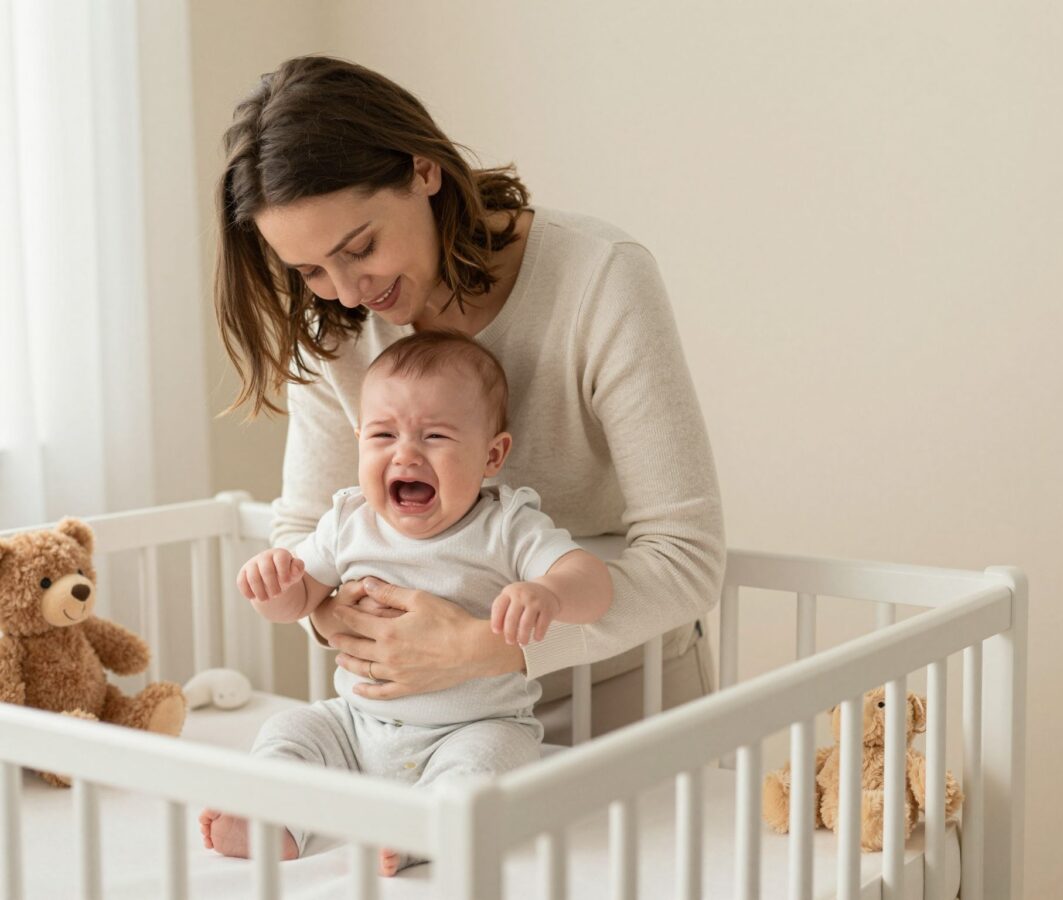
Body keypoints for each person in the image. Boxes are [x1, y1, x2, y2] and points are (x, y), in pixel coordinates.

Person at [214, 54, 724, 750]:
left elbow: (686, 558)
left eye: (359, 247)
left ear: (424, 169)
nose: (348, 292)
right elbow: (303, 532)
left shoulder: (597, 280)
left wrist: (484, 648)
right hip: (411, 718)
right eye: (309, 271)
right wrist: (332, 615)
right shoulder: (332, 324)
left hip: (623, 698)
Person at [200, 331, 613, 874]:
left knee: (491, 764)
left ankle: (422, 831)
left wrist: (550, 593)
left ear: (493, 454)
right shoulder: (347, 522)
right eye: (383, 434)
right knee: (290, 732)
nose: (406, 452)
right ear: (359, 442)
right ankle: (275, 819)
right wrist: (275, 587)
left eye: (435, 435)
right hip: (356, 725)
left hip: (472, 727)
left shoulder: (508, 526)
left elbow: (593, 582)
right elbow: (300, 601)